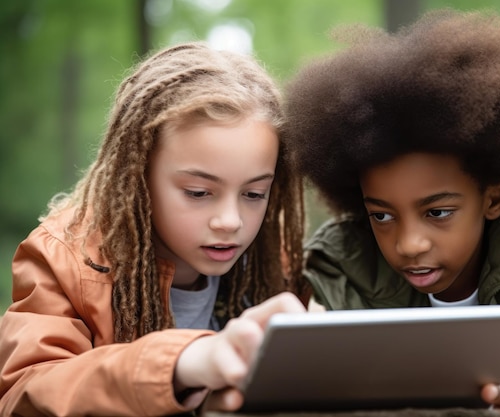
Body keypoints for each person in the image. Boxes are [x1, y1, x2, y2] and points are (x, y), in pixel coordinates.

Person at [284, 9, 500, 417]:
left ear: (494, 199)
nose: (410, 244)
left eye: (438, 212)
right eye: (382, 216)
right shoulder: (337, 266)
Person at [0, 42, 307, 416]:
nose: (230, 220)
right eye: (198, 192)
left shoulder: (279, 262)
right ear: (138, 176)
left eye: (254, 193)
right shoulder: (65, 258)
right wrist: (181, 364)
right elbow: (24, 394)